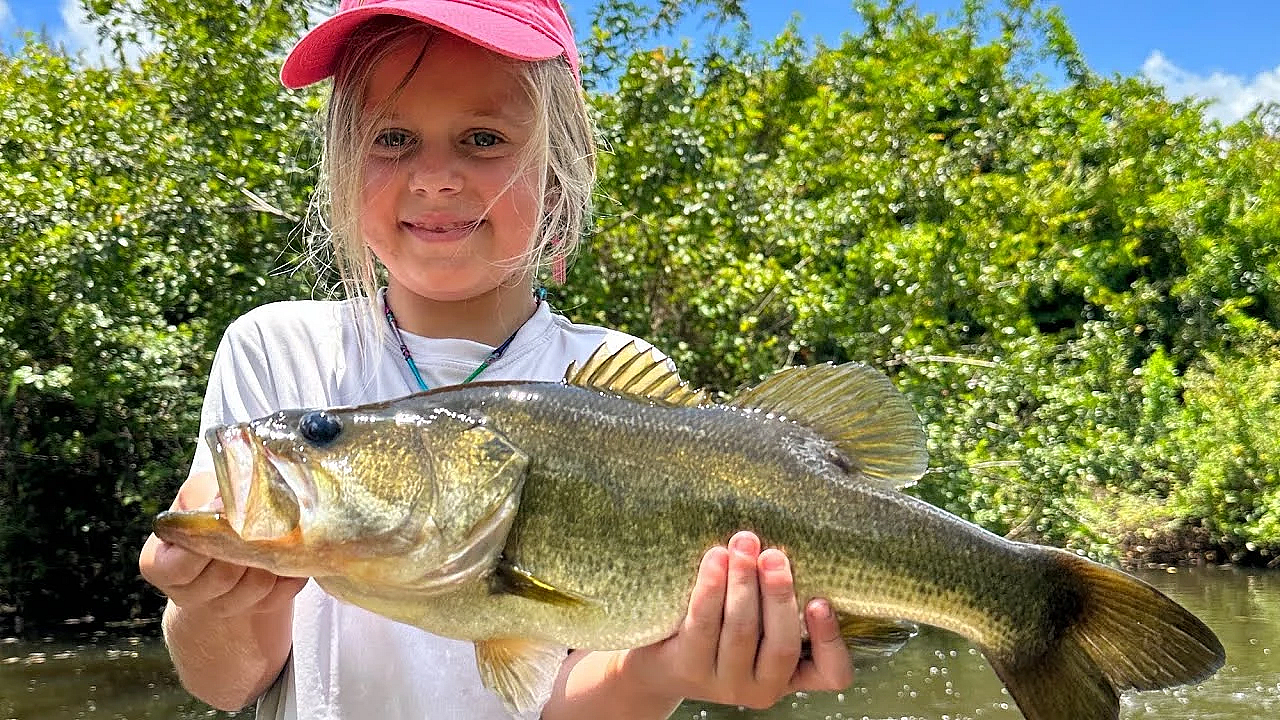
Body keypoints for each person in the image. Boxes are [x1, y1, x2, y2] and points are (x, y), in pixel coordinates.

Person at [137, 1, 854, 717]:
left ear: (556, 171)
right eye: (391, 138)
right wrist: (216, 604)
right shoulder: (277, 353)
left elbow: (562, 701)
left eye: (482, 138)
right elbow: (225, 683)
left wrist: (662, 671)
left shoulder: (620, 379)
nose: (437, 176)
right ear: (343, 166)